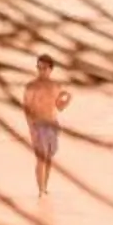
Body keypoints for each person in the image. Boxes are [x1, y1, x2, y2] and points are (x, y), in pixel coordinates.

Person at [22, 54, 72, 198]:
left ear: (51, 69)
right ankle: (40, 190)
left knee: (49, 158)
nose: (40, 70)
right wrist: (30, 127)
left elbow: (59, 107)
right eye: (39, 67)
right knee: (40, 158)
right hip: (38, 125)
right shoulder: (31, 86)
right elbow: (26, 107)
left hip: (52, 125)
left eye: (44, 68)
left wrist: (68, 98)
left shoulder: (55, 86)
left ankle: (45, 187)